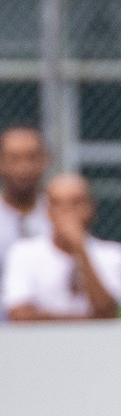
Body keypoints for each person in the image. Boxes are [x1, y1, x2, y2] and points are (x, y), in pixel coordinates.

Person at [3, 173, 121, 322]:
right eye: (58, 204)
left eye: (76, 203)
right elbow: (20, 316)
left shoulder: (114, 254)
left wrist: (80, 249)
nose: (67, 211)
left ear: (91, 207)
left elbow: (108, 313)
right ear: (47, 211)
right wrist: (88, 320)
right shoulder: (23, 252)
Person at [0, 122, 50, 294]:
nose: (23, 167)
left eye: (31, 157)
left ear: (45, 160)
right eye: (14, 158)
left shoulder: (58, 216)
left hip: (51, 317)